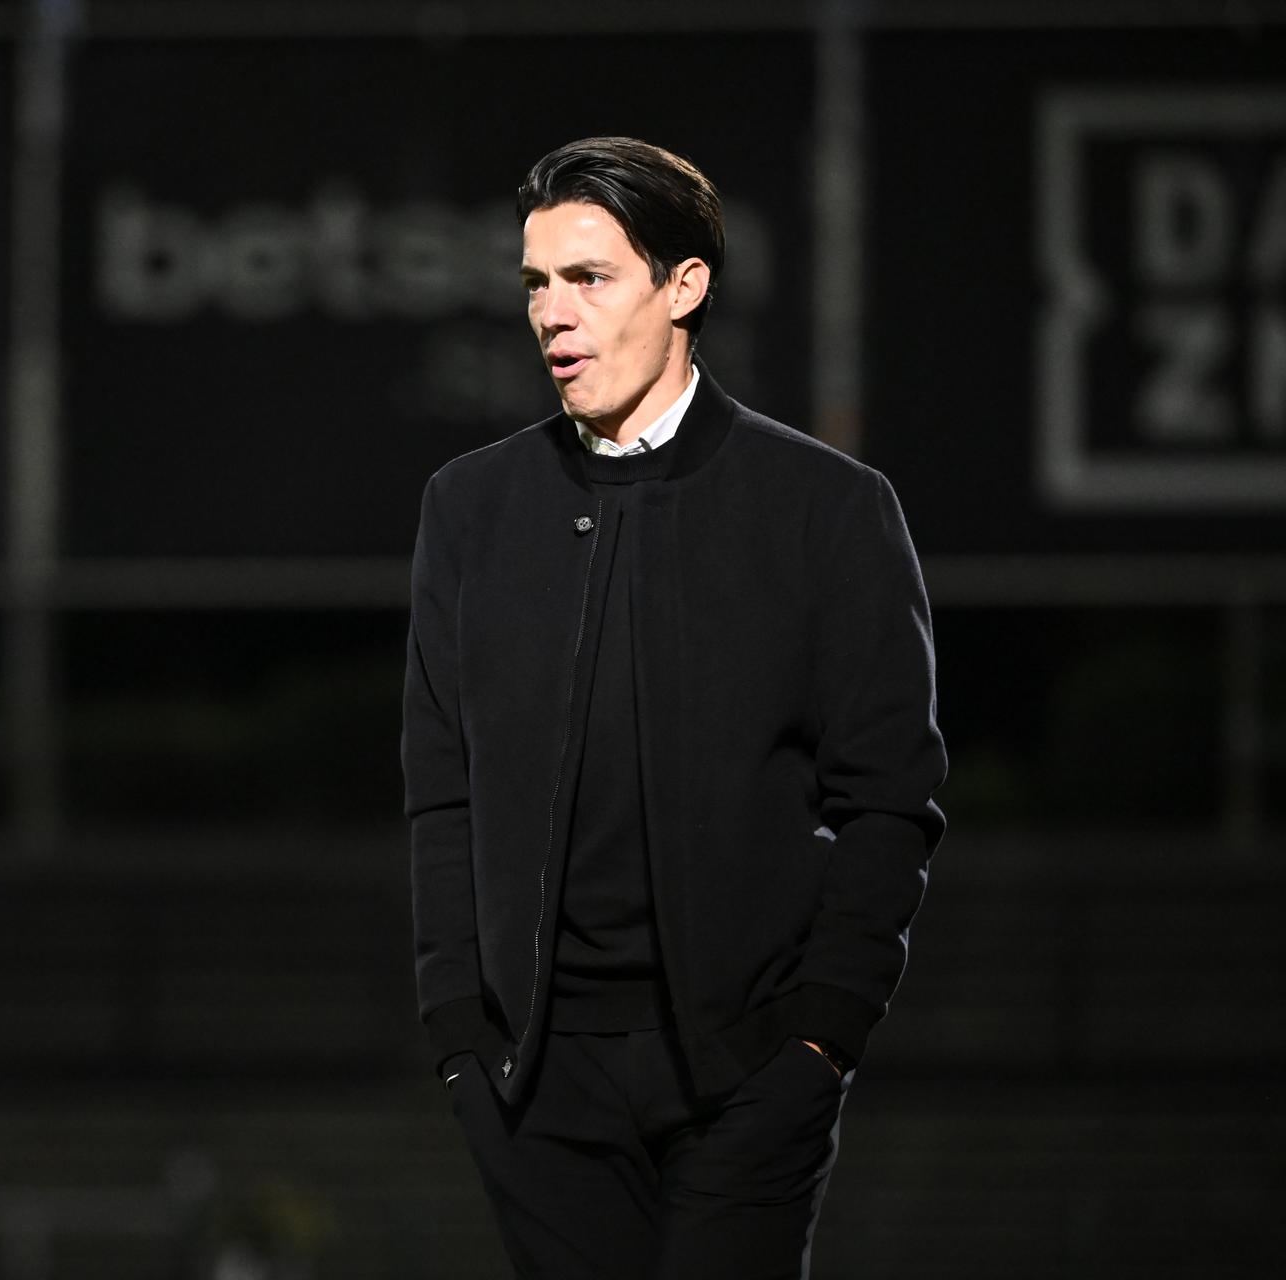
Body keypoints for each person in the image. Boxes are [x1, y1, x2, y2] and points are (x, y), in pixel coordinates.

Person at [401, 137, 947, 1278]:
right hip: (536, 1087)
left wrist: (819, 1035)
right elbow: (442, 791)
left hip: (749, 1073)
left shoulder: (826, 508)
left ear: (684, 285)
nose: (554, 313)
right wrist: (462, 1035)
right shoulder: (470, 507)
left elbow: (891, 798)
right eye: (536, 283)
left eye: (589, 278)